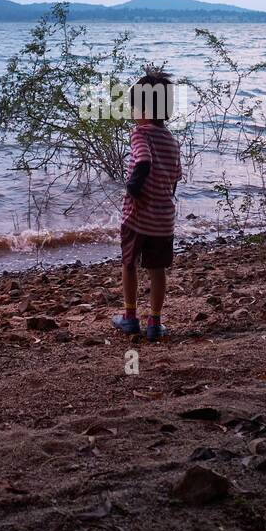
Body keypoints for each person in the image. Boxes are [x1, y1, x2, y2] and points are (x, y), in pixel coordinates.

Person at [111, 70, 183, 342]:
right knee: (157, 269)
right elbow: (175, 177)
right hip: (164, 219)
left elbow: (142, 161)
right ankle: (155, 321)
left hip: (137, 216)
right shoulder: (171, 140)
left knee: (129, 264)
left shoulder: (140, 134)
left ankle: (130, 318)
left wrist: (132, 189)